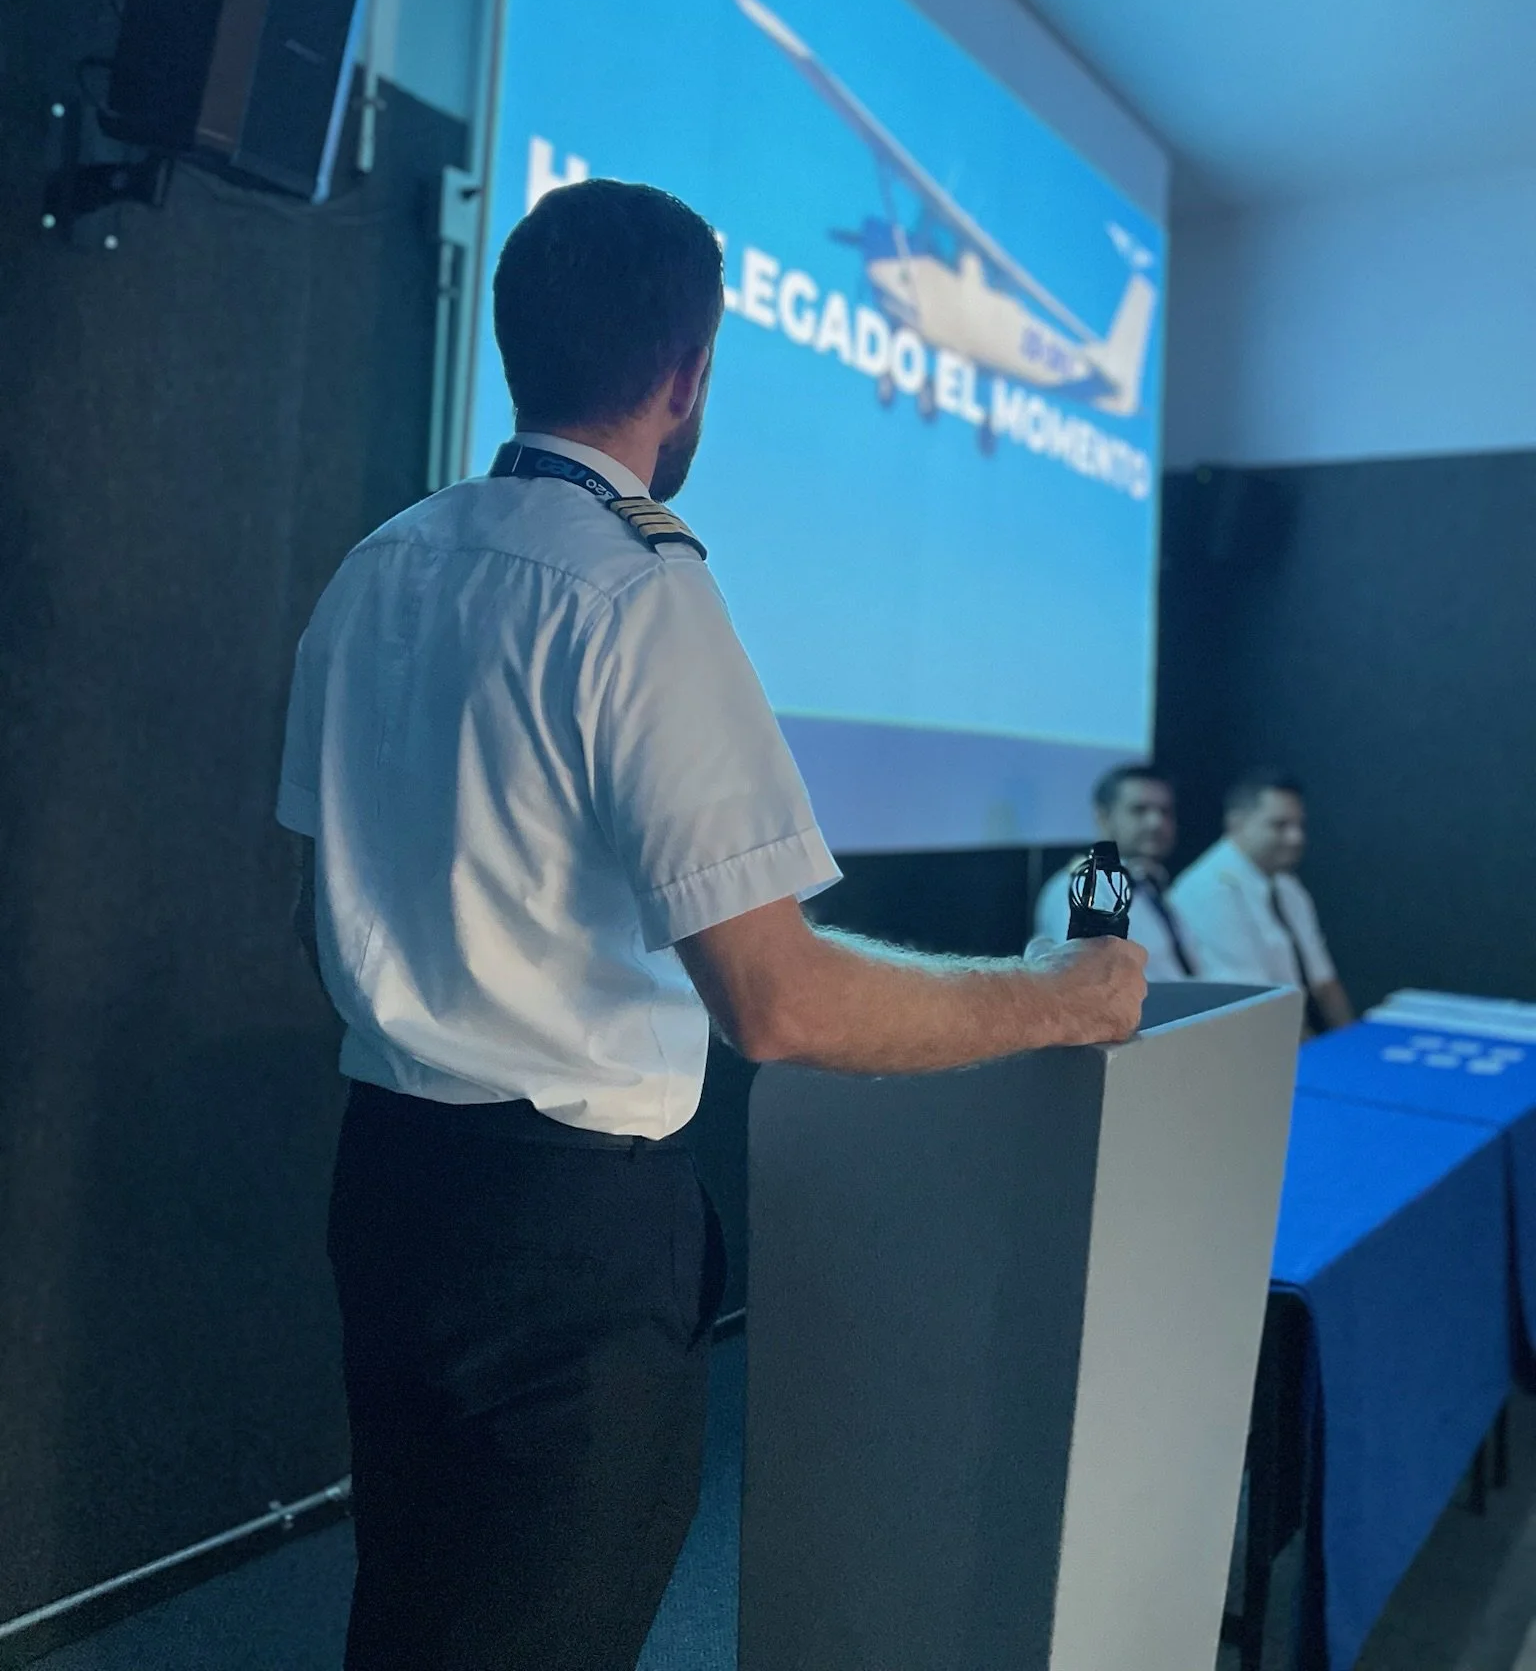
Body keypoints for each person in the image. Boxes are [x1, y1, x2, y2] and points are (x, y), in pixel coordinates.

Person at [276, 177, 1147, 1671]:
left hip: (390, 1192)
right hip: (562, 1249)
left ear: (509, 341)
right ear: (689, 373)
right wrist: (1066, 994)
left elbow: (321, 909)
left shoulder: (378, 569)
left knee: (414, 1615)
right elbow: (780, 1003)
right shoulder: (639, 593)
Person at [1169, 769, 1351, 1033]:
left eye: (1299, 825)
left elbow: (1324, 983)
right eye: (1280, 825)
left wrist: (1348, 1043)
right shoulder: (1208, 890)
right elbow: (1256, 1007)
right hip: (1248, 1044)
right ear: (1236, 824)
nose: (1296, 838)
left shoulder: (1287, 886)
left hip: (1292, 1036)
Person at [1032, 764, 1201, 980]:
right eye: (1139, 810)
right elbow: (1091, 987)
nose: (1156, 823)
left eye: (1165, 812)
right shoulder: (1085, 888)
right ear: (1103, 818)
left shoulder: (1152, 885)